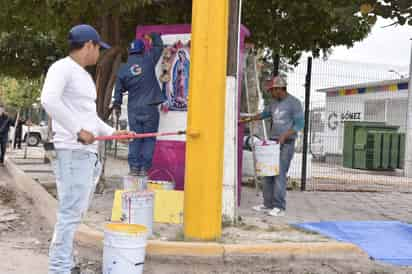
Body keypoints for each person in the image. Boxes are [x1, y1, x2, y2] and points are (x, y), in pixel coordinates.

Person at [41, 24, 129, 274]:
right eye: (98, 48)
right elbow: (49, 100)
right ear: (89, 45)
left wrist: (114, 133)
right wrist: (77, 130)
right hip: (72, 152)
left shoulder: (83, 75)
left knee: (75, 213)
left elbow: (91, 120)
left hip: (85, 155)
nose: (99, 53)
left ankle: (66, 263)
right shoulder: (62, 68)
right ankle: (59, 268)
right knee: (70, 214)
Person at [243, 76, 304, 217]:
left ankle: (279, 207)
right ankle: (267, 204)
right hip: (273, 143)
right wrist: (250, 119)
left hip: (286, 144)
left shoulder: (294, 103)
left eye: (272, 90)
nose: (271, 93)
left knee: (279, 174)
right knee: (267, 173)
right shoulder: (273, 102)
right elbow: (265, 114)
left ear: (279, 89)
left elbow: (299, 125)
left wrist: (285, 135)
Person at [113, 33, 165, 176]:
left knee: (135, 137)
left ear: (130, 52)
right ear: (142, 50)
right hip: (150, 107)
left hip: (134, 109)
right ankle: (144, 169)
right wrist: (153, 36)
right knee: (149, 137)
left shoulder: (123, 68)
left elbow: (118, 91)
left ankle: (134, 168)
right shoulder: (148, 59)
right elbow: (158, 46)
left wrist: (117, 104)